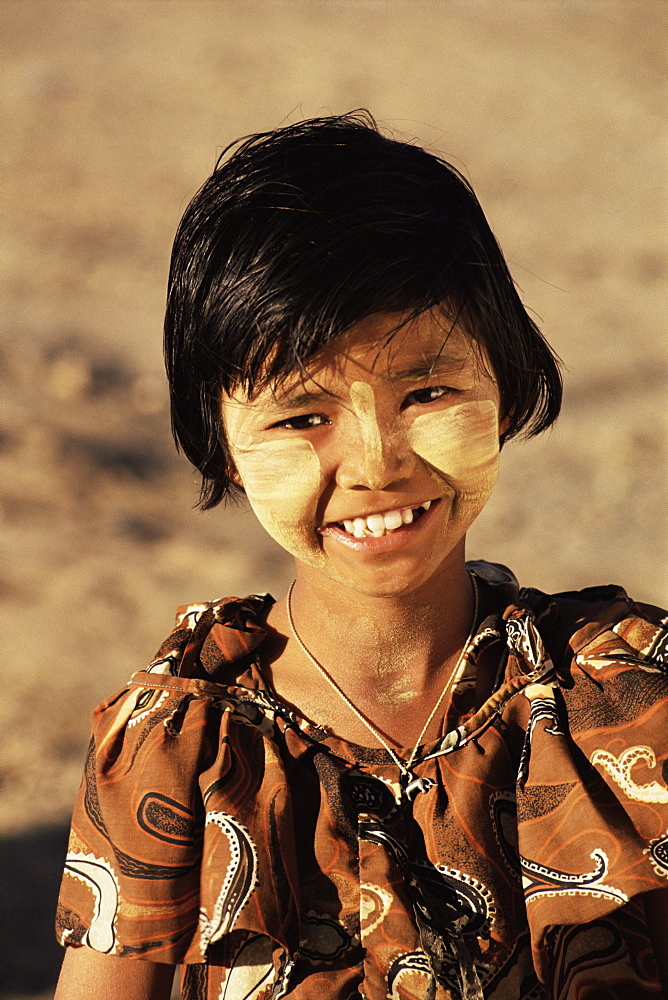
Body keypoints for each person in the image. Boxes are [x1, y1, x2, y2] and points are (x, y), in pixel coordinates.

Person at [54, 112, 668, 1000]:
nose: (378, 463)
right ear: (223, 442)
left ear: (505, 383)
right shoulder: (181, 753)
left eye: (428, 389)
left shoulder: (623, 706)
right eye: (303, 416)